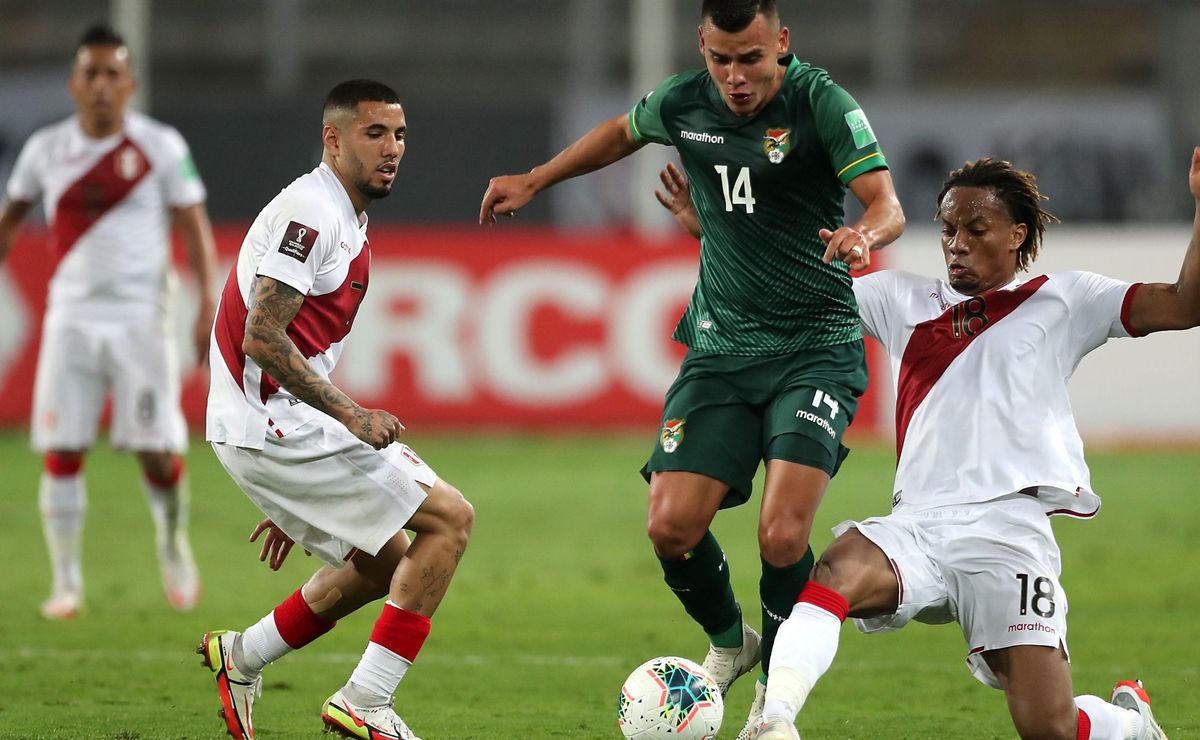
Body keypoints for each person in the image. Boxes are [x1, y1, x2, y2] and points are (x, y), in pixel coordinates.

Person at [655, 150, 1195, 739]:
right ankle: (775, 722)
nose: (956, 243)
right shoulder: (899, 298)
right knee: (831, 575)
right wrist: (712, 230)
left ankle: (1129, 723)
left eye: (975, 229)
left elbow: (1185, 303)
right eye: (947, 230)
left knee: (1052, 728)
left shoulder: (1066, 300)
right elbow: (787, 289)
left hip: (1008, 534)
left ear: (1018, 234)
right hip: (917, 526)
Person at [481, 0, 904, 733]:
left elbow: (886, 202)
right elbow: (621, 132)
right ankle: (729, 642)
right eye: (721, 59)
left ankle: (777, 702)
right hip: (720, 349)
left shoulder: (822, 102)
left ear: (782, 44)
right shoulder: (684, 99)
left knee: (781, 536)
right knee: (670, 526)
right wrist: (537, 179)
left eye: (751, 58)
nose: (736, 77)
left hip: (814, 348)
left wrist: (864, 236)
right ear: (702, 48)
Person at [198, 79, 474, 740]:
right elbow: (260, 338)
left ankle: (243, 656)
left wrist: (303, 491)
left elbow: (299, 347)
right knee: (451, 522)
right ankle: (366, 701)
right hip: (267, 423)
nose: (392, 149)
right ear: (333, 138)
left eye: (400, 135)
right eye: (374, 133)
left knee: (383, 560)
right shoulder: (311, 212)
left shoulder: (347, 218)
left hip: (271, 428)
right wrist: (349, 419)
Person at [0, 24, 216, 619]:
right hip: (70, 316)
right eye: (89, 74)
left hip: (142, 320)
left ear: (130, 84)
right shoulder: (46, 149)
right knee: (63, 446)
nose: (100, 85)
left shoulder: (160, 145)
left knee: (154, 450)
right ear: (73, 84)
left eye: (112, 74)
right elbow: (12, 215)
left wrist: (206, 303)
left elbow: (194, 225)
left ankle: (172, 544)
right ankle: (66, 583)